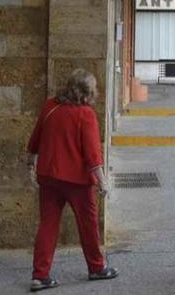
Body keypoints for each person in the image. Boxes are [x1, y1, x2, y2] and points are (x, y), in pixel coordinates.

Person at [27, 68, 118, 291]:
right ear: (88, 93)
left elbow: (36, 138)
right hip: (77, 181)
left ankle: (40, 275)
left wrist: (31, 164)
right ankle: (96, 267)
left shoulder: (50, 106)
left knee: (48, 225)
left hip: (48, 176)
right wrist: (103, 182)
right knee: (88, 225)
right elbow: (93, 155)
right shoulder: (85, 114)